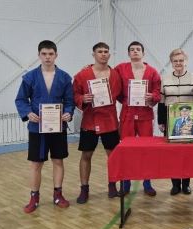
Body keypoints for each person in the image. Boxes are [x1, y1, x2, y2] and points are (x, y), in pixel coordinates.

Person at [15, 40, 74, 214]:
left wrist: (68, 113)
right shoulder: (30, 77)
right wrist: (28, 112)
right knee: (36, 163)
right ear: (39, 55)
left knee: (58, 161)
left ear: (56, 55)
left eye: (51, 54)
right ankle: (34, 197)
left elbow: (69, 101)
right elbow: (21, 99)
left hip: (58, 126)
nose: (47, 57)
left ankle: (58, 195)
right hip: (37, 127)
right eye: (44, 54)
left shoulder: (64, 77)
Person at [72, 42, 122, 204]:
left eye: (106, 51)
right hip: (90, 121)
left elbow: (123, 95)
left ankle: (112, 186)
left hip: (110, 121)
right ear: (93, 54)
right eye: (100, 51)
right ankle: (84, 189)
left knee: (112, 155)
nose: (103, 54)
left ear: (109, 55)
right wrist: (82, 98)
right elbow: (74, 95)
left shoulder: (116, 75)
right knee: (86, 155)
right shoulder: (83, 74)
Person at [114, 41, 161, 197]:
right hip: (127, 114)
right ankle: (125, 183)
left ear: (143, 53)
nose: (135, 51)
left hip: (145, 115)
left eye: (138, 49)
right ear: (128, 53)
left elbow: (158, 92)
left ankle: (147, 183)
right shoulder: (120, 69)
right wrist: (89, 67)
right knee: (126, 150)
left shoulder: (152, 72)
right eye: (132, 49)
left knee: (147, 150)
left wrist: (152, 97)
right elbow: (110, 80)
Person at [158, 48, 193, 195]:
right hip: (170, 122)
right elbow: (161, 101)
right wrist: (161, 121)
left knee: (187, 155)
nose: (178, 63)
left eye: (181, 60)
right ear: (171, 62)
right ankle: (175, 185)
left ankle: (186, 184)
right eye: (175, 61)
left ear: (186, 61)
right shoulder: (165, 79)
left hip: (189, 123)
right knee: (172, 155)